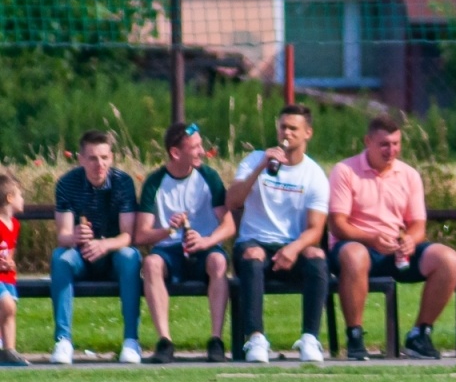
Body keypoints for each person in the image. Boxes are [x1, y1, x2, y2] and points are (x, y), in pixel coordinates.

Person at [329, 115, 456, 360]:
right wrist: (372, 238)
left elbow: (418, 225)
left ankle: (420, 334)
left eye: (396, 144)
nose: (391, 151)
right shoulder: (345, 171)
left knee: (448, 259)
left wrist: (410, 239)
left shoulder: (409, 175)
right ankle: (355, 336)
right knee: (354, 255)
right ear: (367, 141)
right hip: (358, 245)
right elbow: (338, 225)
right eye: (384, 144)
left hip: (396, 248)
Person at [226, 104, 331, 363]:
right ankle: (256, 339)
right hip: (254, 242)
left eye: (293, 128)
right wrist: (261, 166)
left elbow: (315, 229)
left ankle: (309, 338)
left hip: (291, 247)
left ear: (308, 133)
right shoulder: (254, 161)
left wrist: (294, 248)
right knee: (253, 254)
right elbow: (233, 201)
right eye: (283, 127)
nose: (287, 133)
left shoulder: (314, 174)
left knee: (316, 255)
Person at [134, 122, 235, 363]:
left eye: (201, 145)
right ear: (176, 153)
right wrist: (169, 229)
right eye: (195, 147)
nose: (202, 151)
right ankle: (165, 341)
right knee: (151, 265)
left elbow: (229, 225)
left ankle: (216, 340)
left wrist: (206, 240)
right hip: (169, 251)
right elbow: (141, 235)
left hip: (204, 249)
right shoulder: (155, 182)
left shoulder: (208, 177)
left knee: (218, 261)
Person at [51, 130, 143, 365]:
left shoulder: (123, 182)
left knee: (130, 256)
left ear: (111, 157)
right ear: (81, 159)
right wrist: (75, 236)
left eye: (104, 157)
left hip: (113, 255)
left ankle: (131, 340)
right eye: (92, 158)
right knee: (61, 258)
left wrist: (104, 244)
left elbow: (127, 235)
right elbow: (62, 235)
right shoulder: (67, 183)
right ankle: (63, 340)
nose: (99, 164)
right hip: (81, 256)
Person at [0, 173, 26, 366]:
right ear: (9, 198)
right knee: (7, 306)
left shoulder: (15, 224)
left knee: (9, 312)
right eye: (20, 195)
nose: (22, 199)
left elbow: (10, 250)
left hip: (8, 277)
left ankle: (9, 350)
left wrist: (10, 262)